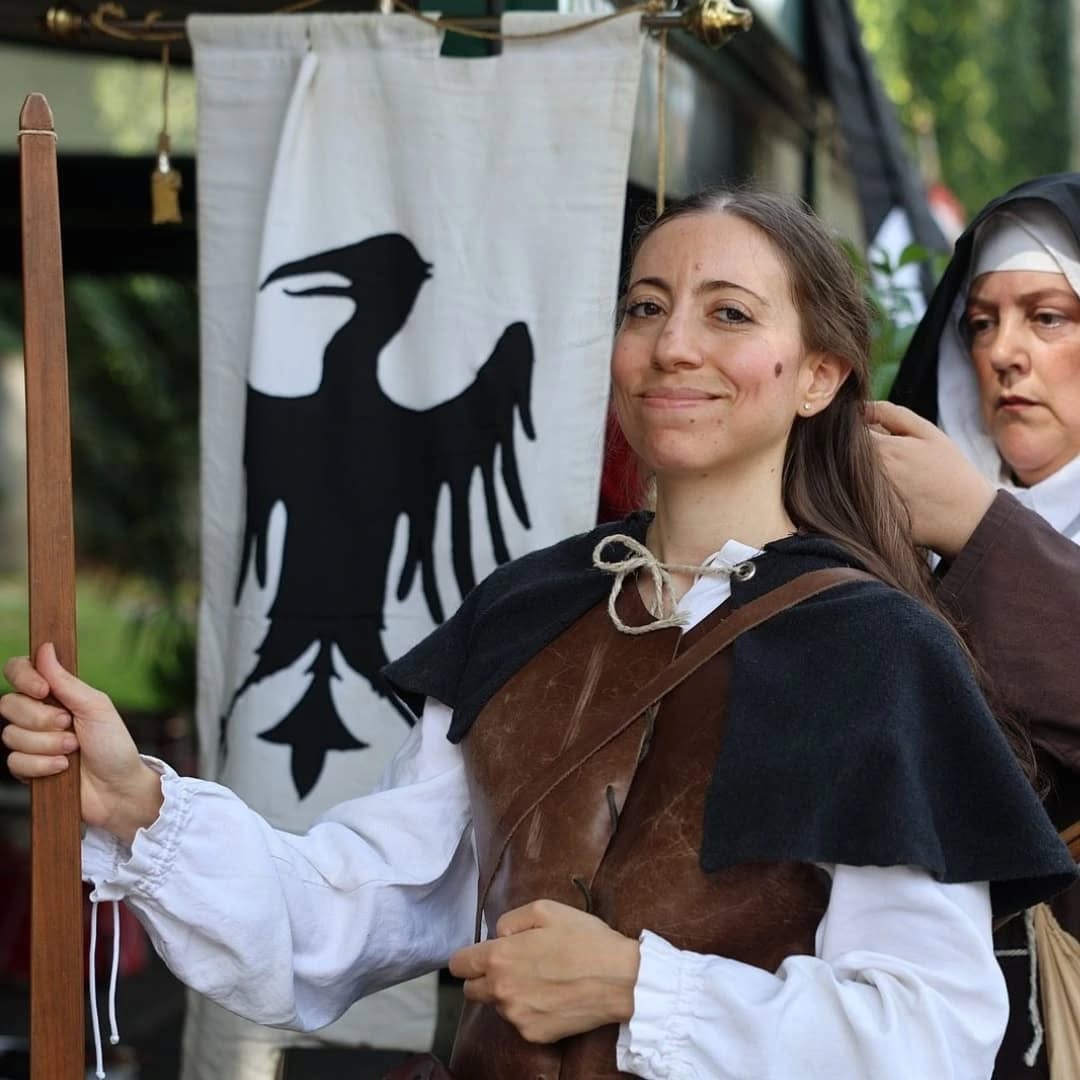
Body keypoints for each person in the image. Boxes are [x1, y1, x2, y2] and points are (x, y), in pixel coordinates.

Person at [3, 189, 1075, 1080]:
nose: (673, 346)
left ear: (819, 376)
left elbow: (927, 1037)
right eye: (646, 307)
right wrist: (142, 807)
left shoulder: (879, 651)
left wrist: (638, 988)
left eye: (729, 315)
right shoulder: (529, 609)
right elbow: (356, 912)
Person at [876, 173, 1080, 1080]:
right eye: (981, 322)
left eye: (1048, 317)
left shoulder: (966, 521)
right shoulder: (912, 528)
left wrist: (980, 530)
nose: (1004, 352)